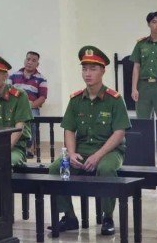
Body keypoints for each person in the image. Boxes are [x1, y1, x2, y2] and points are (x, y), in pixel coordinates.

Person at [48, 46, 131, 236]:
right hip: (82, 150)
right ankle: (69, 217)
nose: (88, 73)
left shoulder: (114, 99)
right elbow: (69, 129)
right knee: (55, 168)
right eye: (84, 69)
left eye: (93, 69)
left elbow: (119, 133)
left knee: (106, 168)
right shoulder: (76, 99)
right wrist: (71, 153)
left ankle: (107, 217)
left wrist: (98, 155)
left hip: (110, 151)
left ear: (103, 71)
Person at [0, 54, 33, 166]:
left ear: (5, 76)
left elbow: (19, 129)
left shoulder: (19, 96)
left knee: (3, 162)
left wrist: (1, 151)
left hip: (14, 148)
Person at [9, 51, 48, 157]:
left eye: (33, 60)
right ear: (24, 60)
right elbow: (7, 91)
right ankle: (13, 144)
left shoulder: (41, 79)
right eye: (28, 59)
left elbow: (42, 97)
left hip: (32, 107)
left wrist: (28, 106)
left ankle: (28, 147)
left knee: (33, 117)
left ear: (37, 64)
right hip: (14, 107)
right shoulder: (14, 76)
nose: (29, 62)